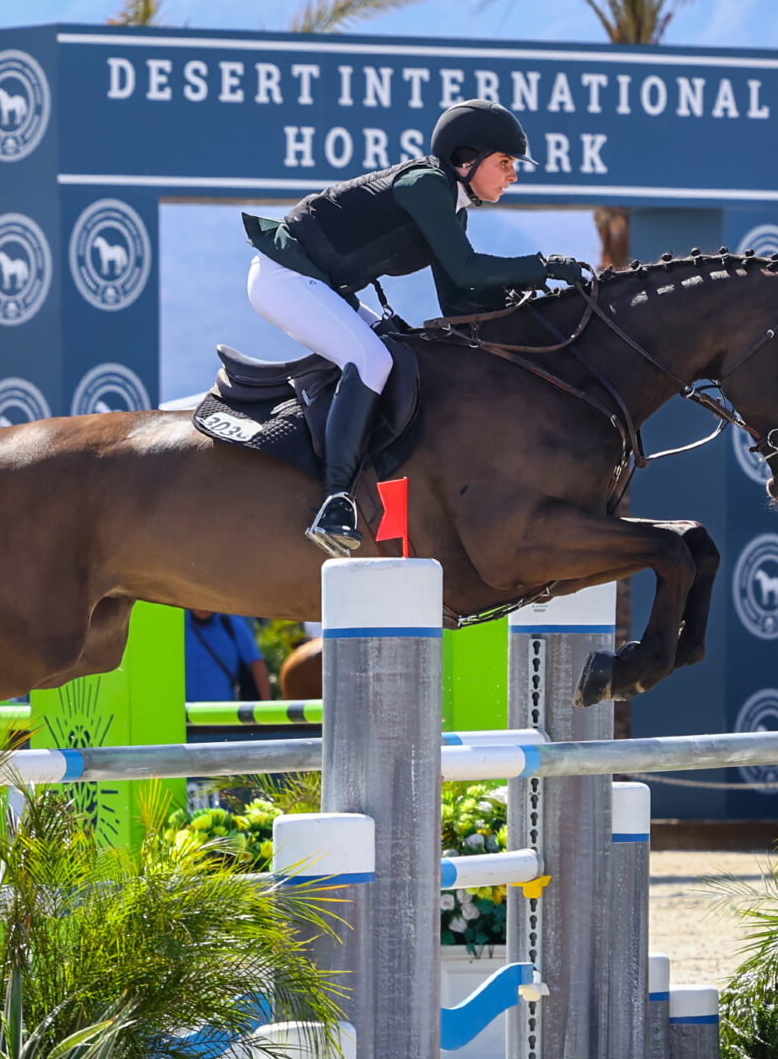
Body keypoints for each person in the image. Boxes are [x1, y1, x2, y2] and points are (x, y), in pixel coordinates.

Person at [244, 98, 592, 555]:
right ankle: (335, 500)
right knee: (371, 359)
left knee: (401, 352)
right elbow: (467, 268)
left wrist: (534, 304)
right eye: (505, 162)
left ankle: (373, 478)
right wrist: (541, 266)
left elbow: (459, 299)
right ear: (466, 160)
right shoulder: (425, 184)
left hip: (318, 284)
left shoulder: (451, 205)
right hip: (283, 275)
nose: (513, 175)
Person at [184, 609, 269, 703]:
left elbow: (256, 664)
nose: (202, 607)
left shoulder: (232, 625)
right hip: (182, 709)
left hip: (222, 709)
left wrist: (265, 704)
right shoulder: (179, 625)